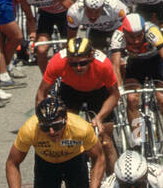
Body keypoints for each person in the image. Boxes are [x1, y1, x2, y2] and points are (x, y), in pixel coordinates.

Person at [37, 33, 120, 173]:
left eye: (83, 63)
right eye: (73, 64)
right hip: (70, 90)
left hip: (98, 91)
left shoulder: (103, 64)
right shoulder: (58, 61)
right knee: (65, 131)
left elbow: (114, 94)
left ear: (91, 57)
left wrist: (99, 117)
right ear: (68, 60)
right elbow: (41, 93)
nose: (78, 68)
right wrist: (43, 120)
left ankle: (114, 181)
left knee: (106, 138)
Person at [109, 11, 163, 155]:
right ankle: (137, 140)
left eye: (139, 36)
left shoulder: (152, 31)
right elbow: (115, 66)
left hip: (156, 63)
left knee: (162, 99)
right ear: (125, 33)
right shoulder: (118, 36)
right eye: (131, 37)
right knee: (131, 99)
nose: (135, 41)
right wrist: (120, 88)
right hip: (136, 64)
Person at [20, 0, 73, 73]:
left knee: (70, 48)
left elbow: (73, 10)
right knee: (41, 49)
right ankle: (47, 78)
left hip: (64, 14)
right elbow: (30, 18)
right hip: (46, 14)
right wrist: (32, 36)